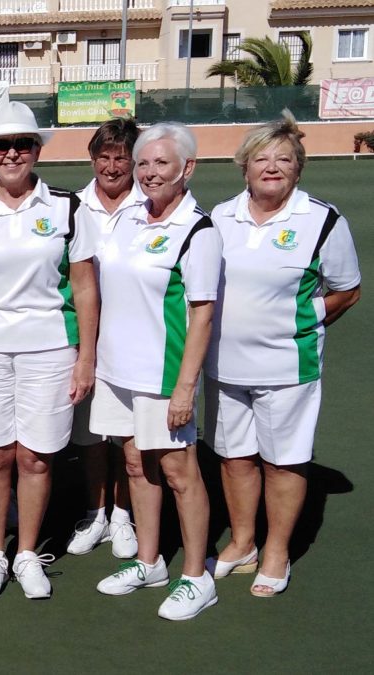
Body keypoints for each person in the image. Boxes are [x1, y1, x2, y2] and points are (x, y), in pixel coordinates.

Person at [205, 112, 360, 597]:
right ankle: (244, 542)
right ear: (244, 167)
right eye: (261, 159)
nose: (272, 167)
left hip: (288, 367)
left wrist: (302, 326)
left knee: (283, 462)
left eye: (284, 159)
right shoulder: (219, 217)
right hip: (224, 366)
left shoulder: (322, 219)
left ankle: (276, 551)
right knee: (234, 459)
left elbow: (346, 290)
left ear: (299, 168)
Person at [0, 102, 98, 600]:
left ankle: (29, 552)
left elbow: (85, 290)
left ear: (37, 150)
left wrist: (86, 357)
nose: (11, 154)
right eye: (0, 146)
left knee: (35, 458)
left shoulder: (66, 207)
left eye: (22, 145)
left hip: (50, 349)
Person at [91, 122, 222, 621]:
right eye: (142, 163)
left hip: (164, 375)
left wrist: (185, 386)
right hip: (117, 370)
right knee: (135, 464)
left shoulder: (197, 230)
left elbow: (203, 313)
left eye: (161, 163)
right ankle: (149, 562)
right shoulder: (128, 219)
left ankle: (196, 575)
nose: (148, 172)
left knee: (178, 471)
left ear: (187, 168)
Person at [66, 118, 142, 559]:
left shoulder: (152, 205)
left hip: (136, 342)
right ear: (92, 158)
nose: (112, 166)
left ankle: (123, 515)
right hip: (85, 343)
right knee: (93, 438)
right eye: (104, 156)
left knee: (129, 439)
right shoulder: (74, 207)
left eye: (121, 157)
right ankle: (95, 513)